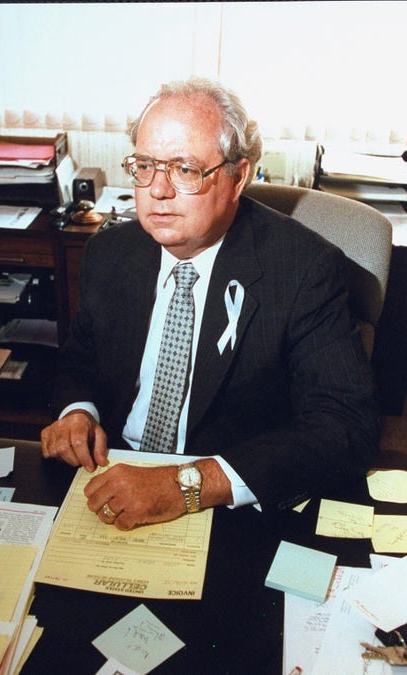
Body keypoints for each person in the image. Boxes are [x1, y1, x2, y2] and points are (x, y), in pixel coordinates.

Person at [40, 77, 377, 530]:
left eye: (184, 169)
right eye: (144, 166)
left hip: (226, 499)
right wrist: (78, 411)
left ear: (238, 177)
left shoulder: (303, 270)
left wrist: (187, 484)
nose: (158, 190)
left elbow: (346, 427)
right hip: (109, 475)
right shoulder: (110, 252)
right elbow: (81, 359)